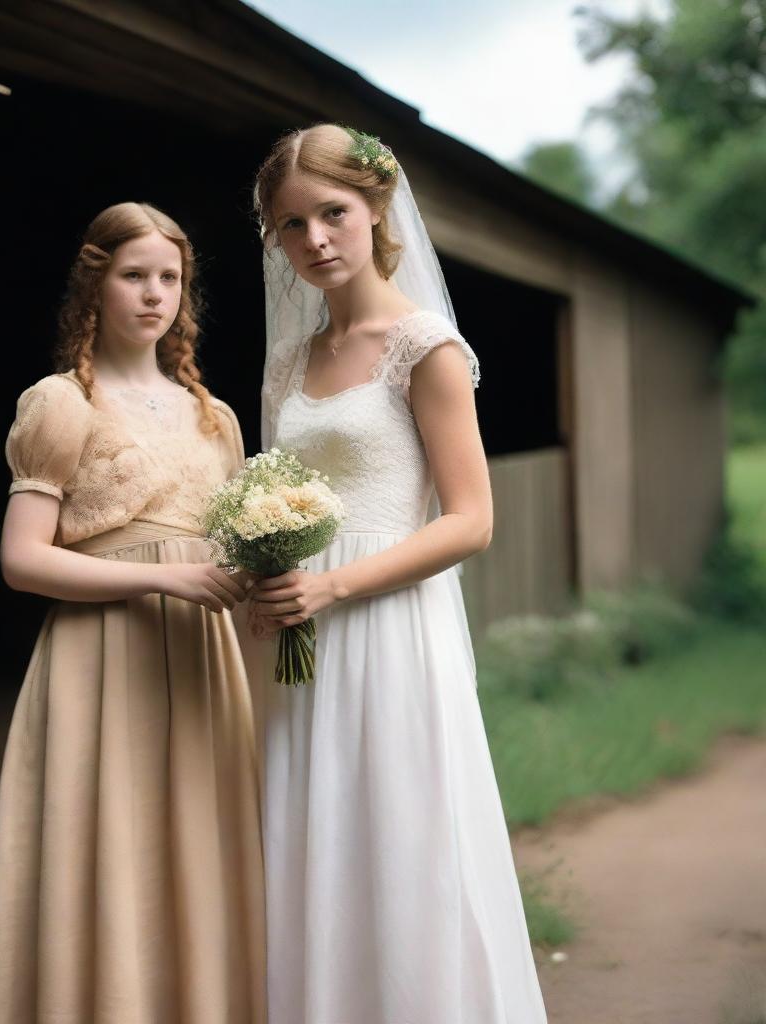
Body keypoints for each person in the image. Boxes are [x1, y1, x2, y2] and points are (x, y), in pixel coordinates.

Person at [249, 124, 548, 1023]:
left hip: (389, 623)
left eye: (332, 213)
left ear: (377, 207)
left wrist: (336, 585)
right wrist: (267, 568)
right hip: (298, 634)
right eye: (291, 224)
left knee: (400, 833)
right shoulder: (289, 362)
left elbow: (471, 519)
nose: (315, 240)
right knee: (313, 834)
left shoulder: (426, 347)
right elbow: (277, 492)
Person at [0, 202, 265, 1024]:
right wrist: (162, 582)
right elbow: (21, 560)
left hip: (202, 661)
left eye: (169, 277)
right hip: (100, 656)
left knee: (195, 841)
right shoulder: (63, 404)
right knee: (108, 840)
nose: (154, 294)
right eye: (134, 275)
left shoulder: (214, 418)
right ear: (95, 285)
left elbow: (227, 550)